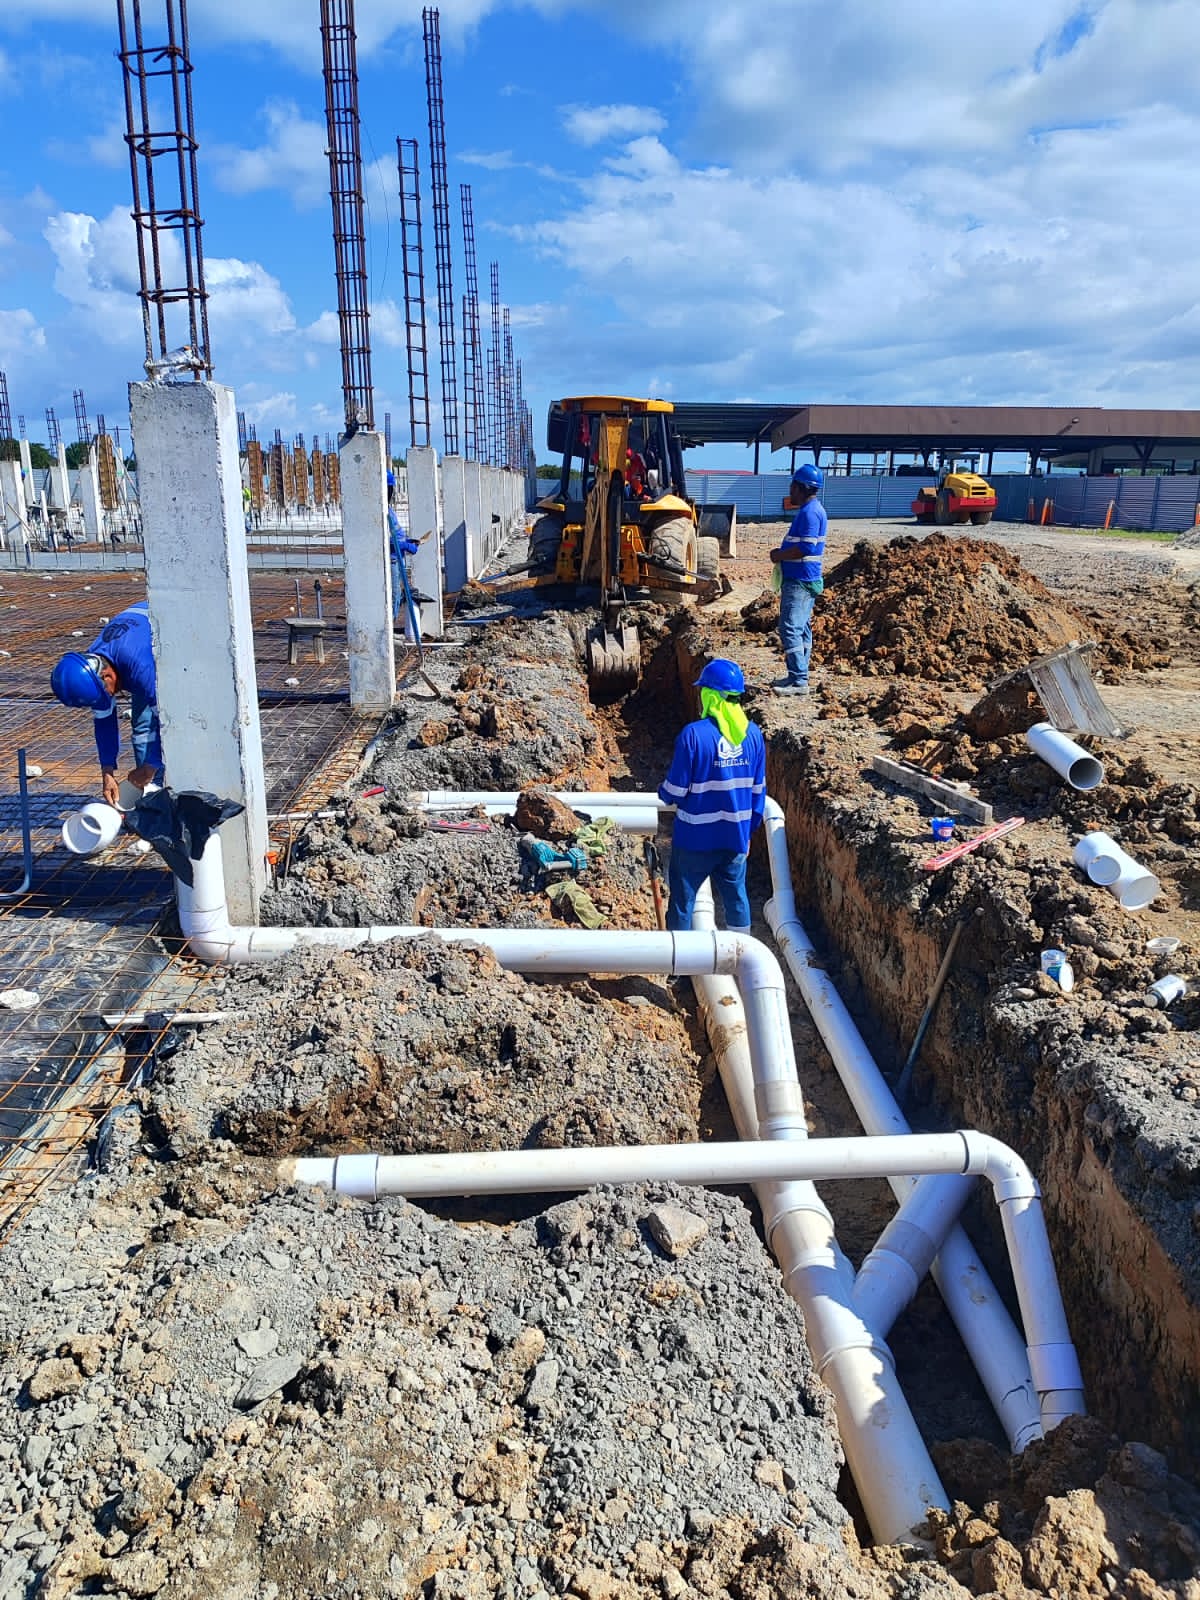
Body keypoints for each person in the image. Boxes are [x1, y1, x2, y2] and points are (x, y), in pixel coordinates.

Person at [658, 658, 766, 933]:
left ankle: (680, 966)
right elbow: (758, 792)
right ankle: (741, 958)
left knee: (683, 901)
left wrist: (663, 792)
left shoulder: (693, 735)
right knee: (736, 898)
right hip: (735, 837)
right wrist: (749, 832)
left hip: (694, 839)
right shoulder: (753, 736)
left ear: (711, 695)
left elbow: (675, 791)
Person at [50, 601, 162, 808]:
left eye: (106, 693)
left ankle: (160, 784)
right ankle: (150, 793)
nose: (107, 698)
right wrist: (107, 771)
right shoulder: (92, 668)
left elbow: (169, 722)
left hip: (167, 627)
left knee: (152, 718)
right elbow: (104, 723)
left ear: (108, 675)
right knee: (142, 726)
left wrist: (150, 766)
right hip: (139, 641)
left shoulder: (141, 668)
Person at [770, 463, 827, 695]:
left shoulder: (810, 513)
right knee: (801, 628)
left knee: (790, 627)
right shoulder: (810, 510)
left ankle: (799, 680)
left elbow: (805, 547)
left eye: (793, 486)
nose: (790, 491)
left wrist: (778, 555)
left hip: (800, 579)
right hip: (801, 578)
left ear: (803, 488)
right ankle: (797, 676)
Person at [387, 469, 421, 642]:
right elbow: (386, 539)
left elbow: (396, 534)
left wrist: (409, 541)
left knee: (396, 595)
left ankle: (389, 629)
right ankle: (387, 632)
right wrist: (406, 545)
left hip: (397, 559)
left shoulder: (389, 511)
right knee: (392, 595)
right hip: (391, 559)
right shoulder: (381, 513)